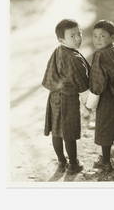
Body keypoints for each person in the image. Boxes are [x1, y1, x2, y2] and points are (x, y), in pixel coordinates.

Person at [42, 19, 90, 175]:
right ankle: (73, 164)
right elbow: (83, 83)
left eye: (79, 33)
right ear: (61, 39)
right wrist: (89, 102)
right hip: (68, 98)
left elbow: (49, 74)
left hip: (54, 96)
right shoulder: (73, 58)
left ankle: (62, 161)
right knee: (68, 131)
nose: (78, 38)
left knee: (57, 130)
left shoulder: (58, 51)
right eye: (72, 36)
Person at [86, 20, 114, 176]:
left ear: (112, 37)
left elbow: (98, 80)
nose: (98, 39)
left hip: (105, 99)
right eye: (95, 36)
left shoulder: (99, 54)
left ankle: (106, 163)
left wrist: (92, 96)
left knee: (105, 131)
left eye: (102, 36)